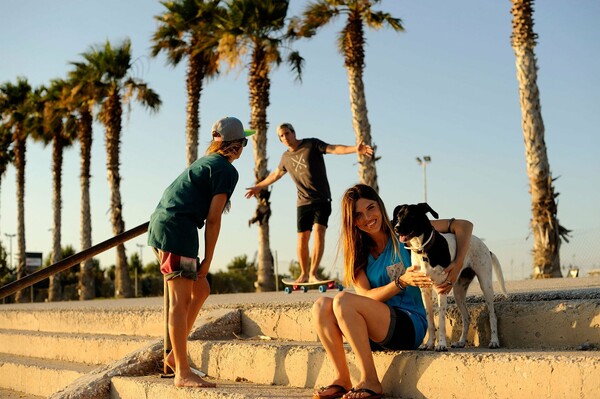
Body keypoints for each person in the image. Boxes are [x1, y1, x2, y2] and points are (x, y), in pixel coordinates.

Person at [312, 184, 473, 399]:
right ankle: (342, 379)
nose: (367, 217)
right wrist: (402, 281)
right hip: (373, 328)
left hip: (409, 324)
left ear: (380, 205)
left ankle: (371, 381)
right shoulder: (358, 252)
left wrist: (458, 263)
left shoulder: (407, 231)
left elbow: (464, 226)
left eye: (371, 208)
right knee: (321, 305)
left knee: (342, 300)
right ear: (352, 221)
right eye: (358, 215)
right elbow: (366, 297)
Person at [147, 116, 253, 388]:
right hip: (176, 229)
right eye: (244, 142)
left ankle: (174, 356)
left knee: (201, 289)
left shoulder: (205, 162)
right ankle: (182, 372)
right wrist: (209, 259)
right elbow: (214, 217)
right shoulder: (226, 171)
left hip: (169, 226)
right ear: (237, 146)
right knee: (179, 302)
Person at [245, 123, 374, 283]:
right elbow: (276, 174)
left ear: (293, 132)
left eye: (287, 133)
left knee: (319, 231)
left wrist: (355, 149)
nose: (285, 137)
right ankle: (304, 274)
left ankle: (313, 273)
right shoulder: (285, 158)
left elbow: (333, 148)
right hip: (303, 202)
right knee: (302, 238)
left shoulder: (311, 144)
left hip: (322, 199)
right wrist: (258, 186)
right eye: (281, 136)